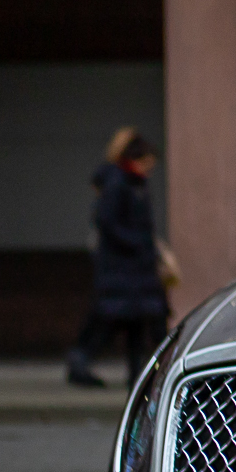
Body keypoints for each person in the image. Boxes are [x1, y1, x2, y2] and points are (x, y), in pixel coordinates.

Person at [66, 128, 171, 388]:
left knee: (134, 321)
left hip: (131, 270)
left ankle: (135, 374)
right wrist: (140, 246)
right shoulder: (121, 185)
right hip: (125, 270)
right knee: (114, 321)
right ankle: (83, 362)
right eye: (147, 163)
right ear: (136, 159)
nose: (149, 169)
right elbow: (109, 223)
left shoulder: (132, 184)